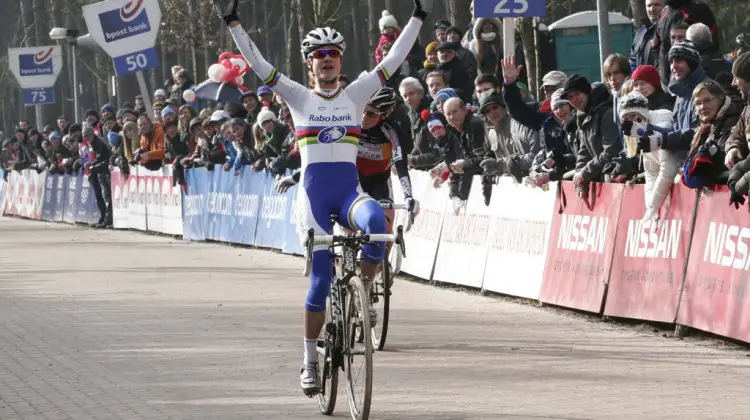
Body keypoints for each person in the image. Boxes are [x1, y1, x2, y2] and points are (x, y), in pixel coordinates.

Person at [215, 0, 424, 396]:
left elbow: (395, 58)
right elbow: (258, 63)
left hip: (349, 193)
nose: (326, 60)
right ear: (309, 63)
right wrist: (233, 23)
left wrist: (418, 17)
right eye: (318, 55)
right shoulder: (297, 97)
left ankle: (360, 295)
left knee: (378, 224)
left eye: (333, 54)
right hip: (313, 200)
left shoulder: (359, 93)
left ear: (340, 60)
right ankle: (310, 360)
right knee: (319, 283)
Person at [356, 87, 414, 252]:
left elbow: (401, 166)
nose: (364, 117)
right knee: (349, 227)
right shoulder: (351, 124)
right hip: (353, 181)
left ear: (384, 115)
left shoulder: (392, 132)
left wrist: (408, 195)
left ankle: (382, 269)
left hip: (379, 182)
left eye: (371, 114)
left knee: (385, 229)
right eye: (363, 110)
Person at [619, 91, 677, 220]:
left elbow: (669, 165)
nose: (632, 121)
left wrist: (654, 205)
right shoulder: (638, 135)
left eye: (634, 115)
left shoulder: (662, 115)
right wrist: (650, 206)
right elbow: (650, 172)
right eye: (626, 119)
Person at [683, 80, 743, 189]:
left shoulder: (734, 118)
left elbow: (725, 163)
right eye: (698, 103)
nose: (702, 107)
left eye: (708, 100)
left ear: (720, 99)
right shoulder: (706, 127)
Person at [82, 125, 113, 228]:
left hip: (106, 171)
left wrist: (94, 166)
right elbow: (99, 159)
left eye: (88, 136)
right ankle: (104, 218)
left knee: (107, 196)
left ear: (92, 134)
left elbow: (107, 157)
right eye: (84, 137)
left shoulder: (99, 142)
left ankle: (108, 220)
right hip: (101, 170)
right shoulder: (93, 143)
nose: (86, 139)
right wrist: (93, 164)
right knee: (102, 196)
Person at [630, 0, 665, 70]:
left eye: (657, 5)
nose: (652, 9)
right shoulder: (640, 32)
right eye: (649, 5)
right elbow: (632, 61)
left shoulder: (670, 32)